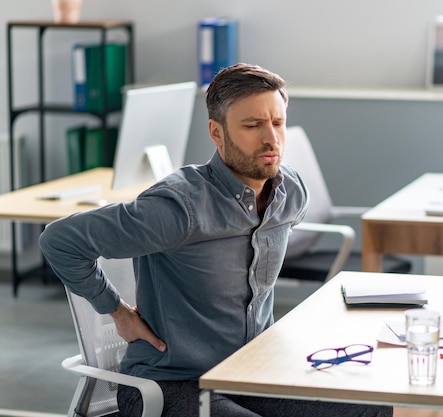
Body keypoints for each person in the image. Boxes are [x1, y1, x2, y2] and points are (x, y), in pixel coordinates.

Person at [39, 63, 392, 417]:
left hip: (250, 374)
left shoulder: (290, 193)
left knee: (374, 409)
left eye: (278, 123)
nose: (271, 138)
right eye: (253, 126)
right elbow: (60, 240)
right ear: (217, 132)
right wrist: (116, 310)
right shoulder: (179, 208)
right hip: (170, 385)